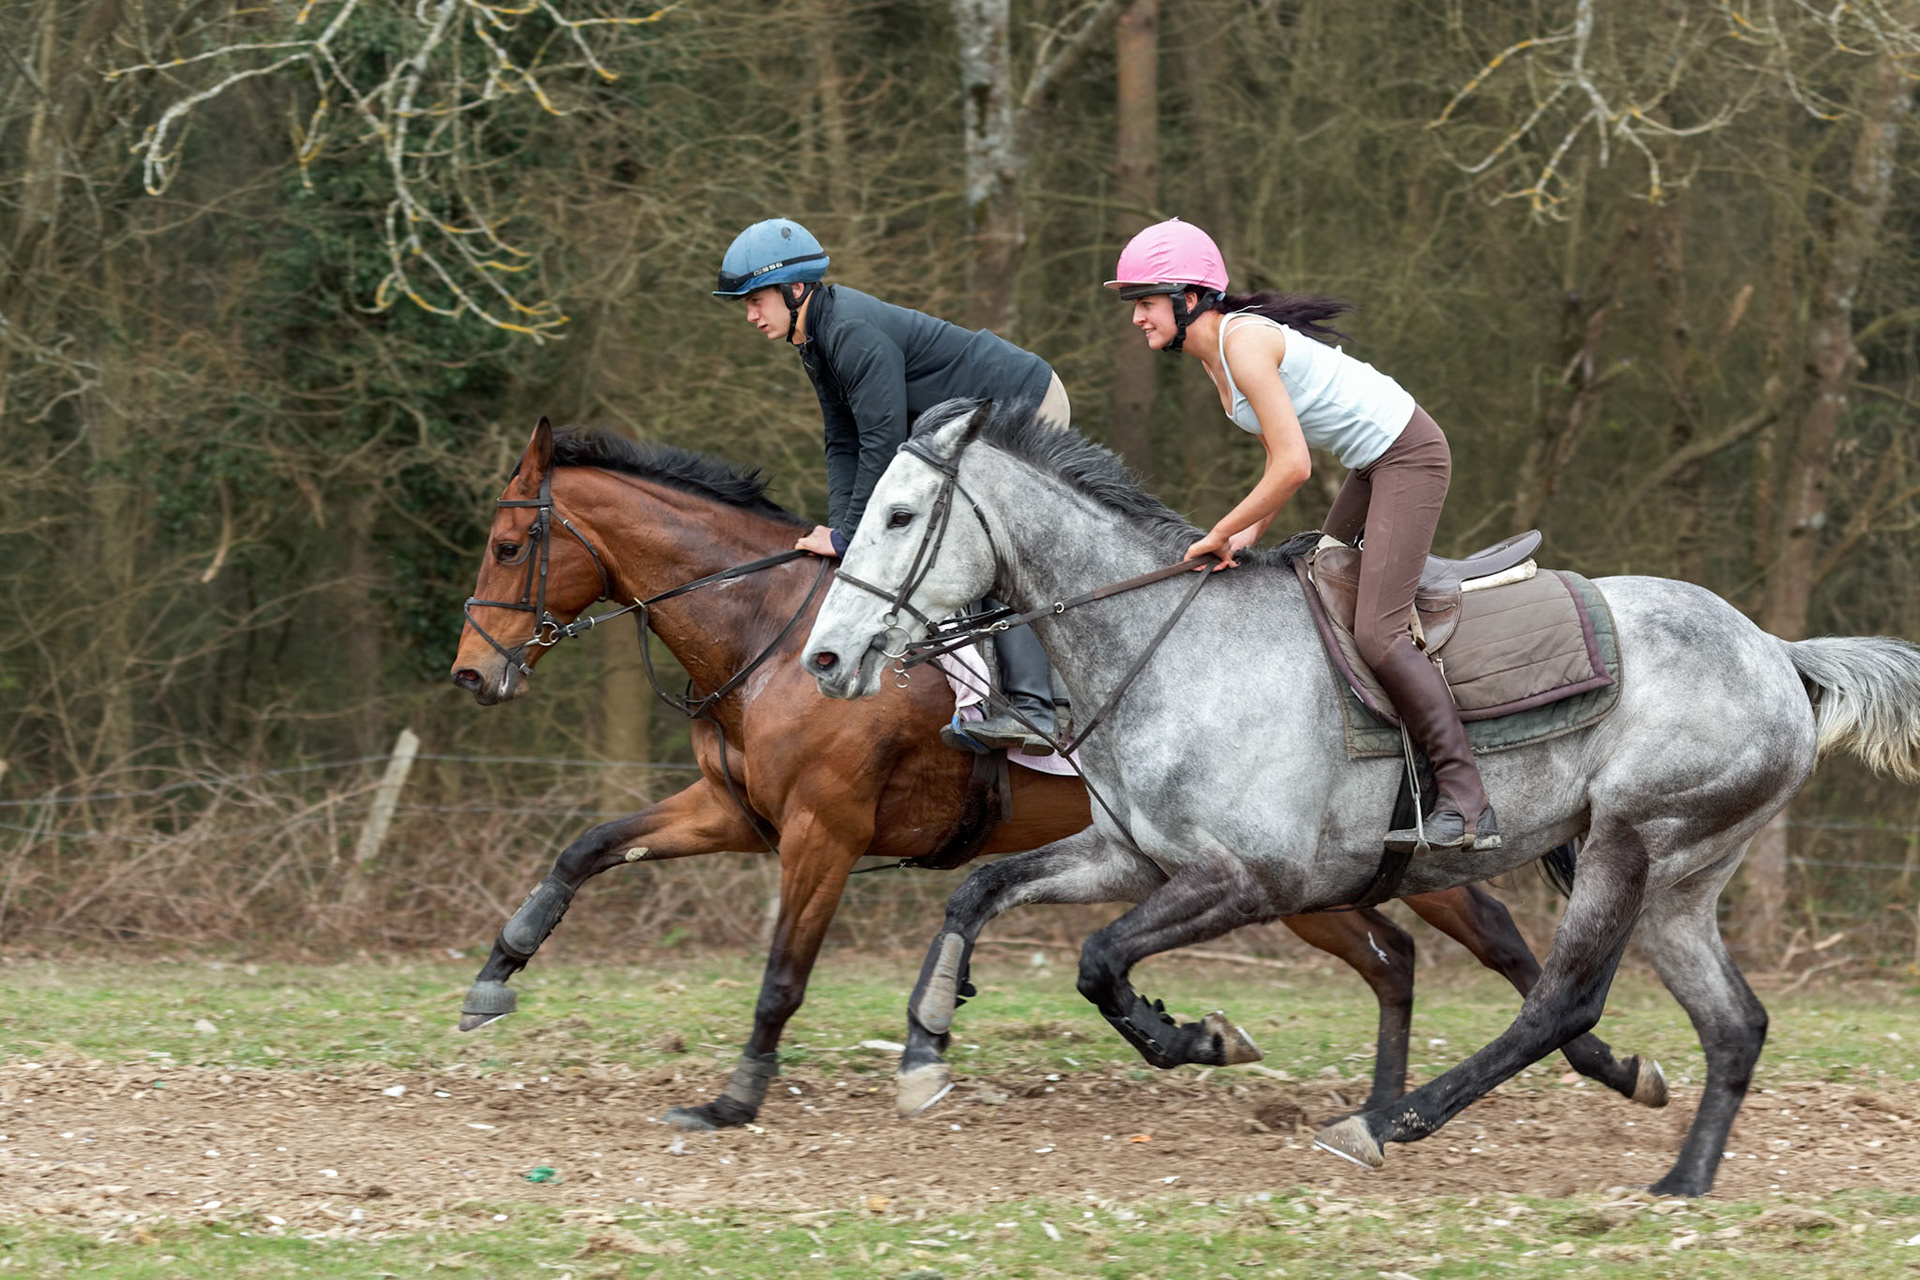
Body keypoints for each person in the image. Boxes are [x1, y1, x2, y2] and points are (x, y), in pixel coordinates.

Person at [1105, 217, 1499, 853]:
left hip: (1409, 456)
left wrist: (1221, 530)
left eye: (1146, 303)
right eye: (1136, 305)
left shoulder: (1243, 344)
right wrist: (1241, 540)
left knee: (1378, 629)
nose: (1137, 319)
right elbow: (1275, 468)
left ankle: (1466, 798)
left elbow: (1295, 466)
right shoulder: (1217, 365)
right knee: (1317, 586)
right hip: (1374, 465)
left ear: (1188, 297)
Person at [715, 217, 1067, 755]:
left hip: (1022, 403)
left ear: (794, 289)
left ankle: (1035, 709)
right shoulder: (817, 341)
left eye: (756, 299)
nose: (750, 315)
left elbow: (882, 442)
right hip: (970, 420)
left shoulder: (850, 332)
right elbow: (843, 443)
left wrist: (852, 534)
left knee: (983, 545)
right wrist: (841, 531)